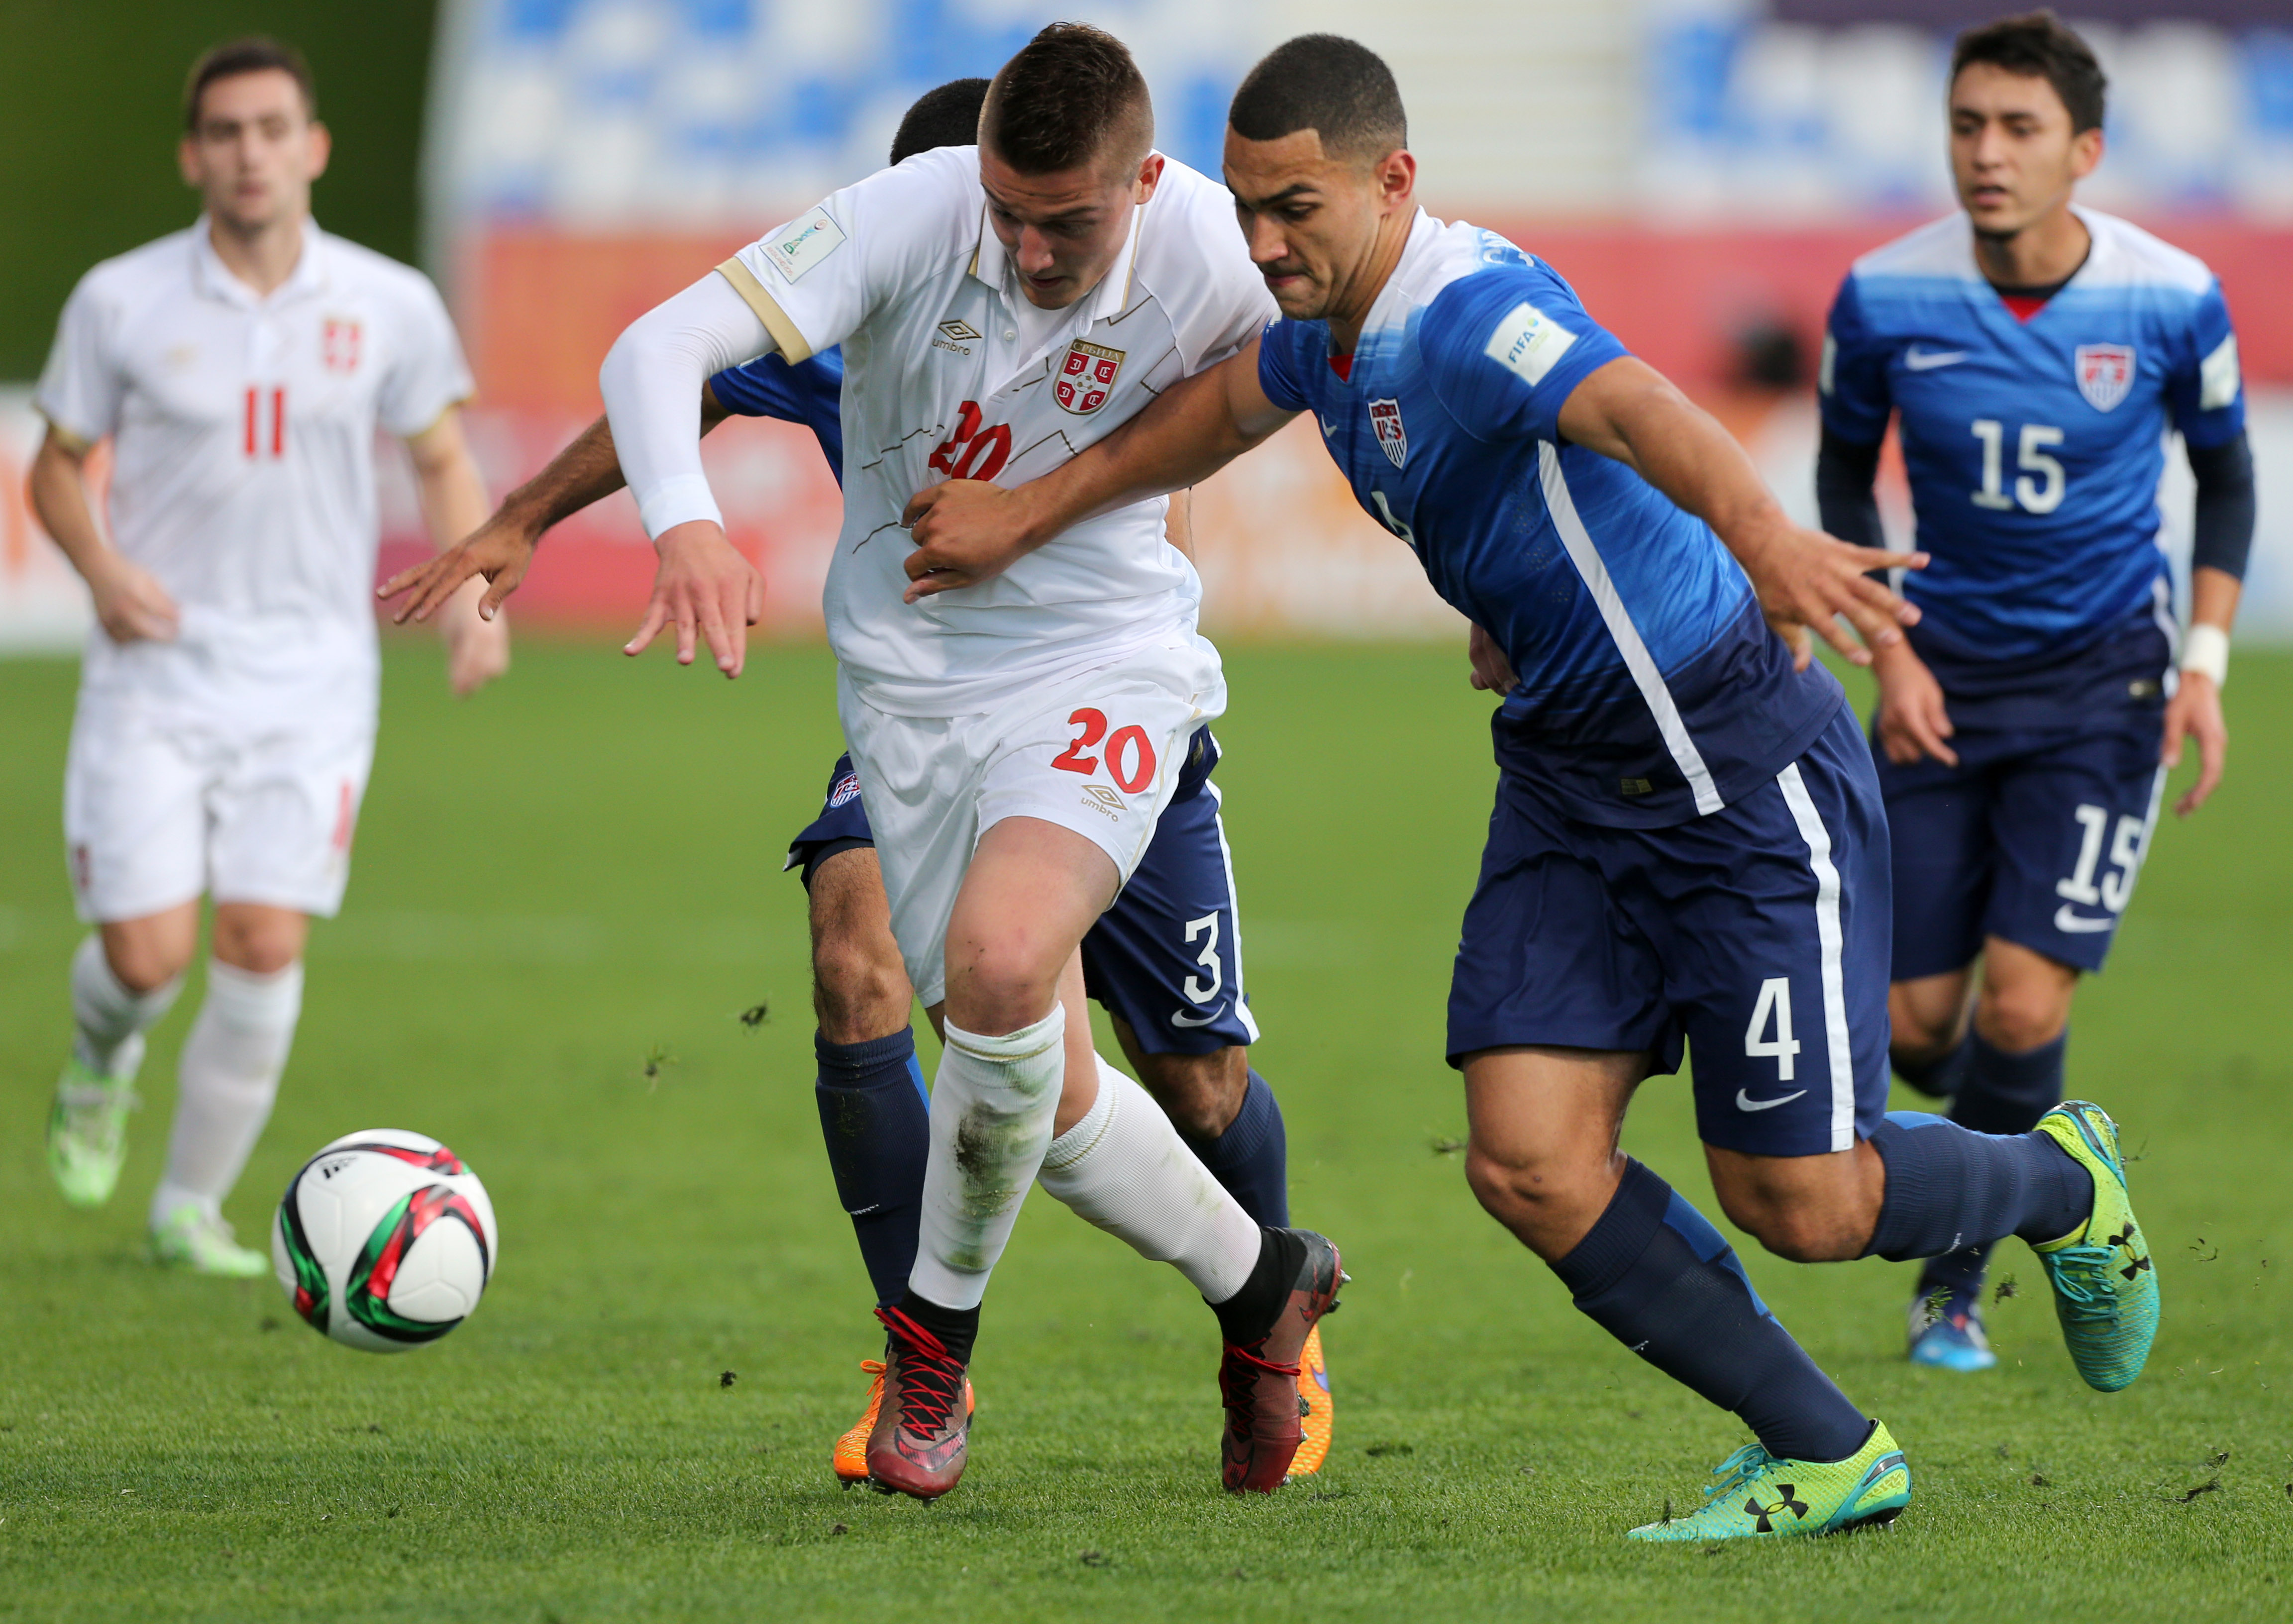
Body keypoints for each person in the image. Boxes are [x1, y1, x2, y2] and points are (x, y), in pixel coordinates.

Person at [903, 32, 2163, 1541]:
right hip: (1567, 781)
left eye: (1297, 207)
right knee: (1529, 1162)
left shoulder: (1463, 312)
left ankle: (2063, 1184)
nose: (1265, 242)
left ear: (1393, 181)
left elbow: (1632, 407)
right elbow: (1221, 408)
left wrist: (1765, 539)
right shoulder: (1323, 337)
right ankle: (1829, 1451)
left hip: (1727, 765)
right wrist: (1026, 513)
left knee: (1806, 1202)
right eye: (1245, 209)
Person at [384, 75, 1330, 1488]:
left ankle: (938, 1352)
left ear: (1134, 187)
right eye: (998, 215)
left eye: (1059, 221)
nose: (1023, 251)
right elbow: (672, 362)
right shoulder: (887, 258)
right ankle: (1262, 1287)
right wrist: (631, 522)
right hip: (913, 698)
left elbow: (1368, 351)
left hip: (1109, 676)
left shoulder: (1204, 248)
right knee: (1026, 1083)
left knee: (1172, 1066)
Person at [1816, 12, 2252, 1373]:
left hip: (2103, 686)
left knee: (2019, 1008)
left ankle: (1953, 1287)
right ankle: (2053, 1152)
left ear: (2086, 151)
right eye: (1967, 126)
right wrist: (1890, 651)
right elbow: (1841, 479)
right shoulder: (1881, 295)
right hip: (1940, 683)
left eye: (2018, 128)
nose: (1987, 154)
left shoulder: (2171, 296)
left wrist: (2203, 667)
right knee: (1912, 1027)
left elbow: (2228, 480)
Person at [31, 38, 507, 1274]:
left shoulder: (388, 302)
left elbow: (440, 455)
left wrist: (473, 595)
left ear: (314, 148)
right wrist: (104, 571)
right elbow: (54, 468)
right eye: (227, 132)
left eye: (272, 129)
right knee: (144, 959)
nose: (251, 153)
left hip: (312, 678)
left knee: (261, 940)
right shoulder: (121, 300)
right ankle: (100, 1059)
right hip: (155, 670)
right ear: (194, 156)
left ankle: (189, 1208)